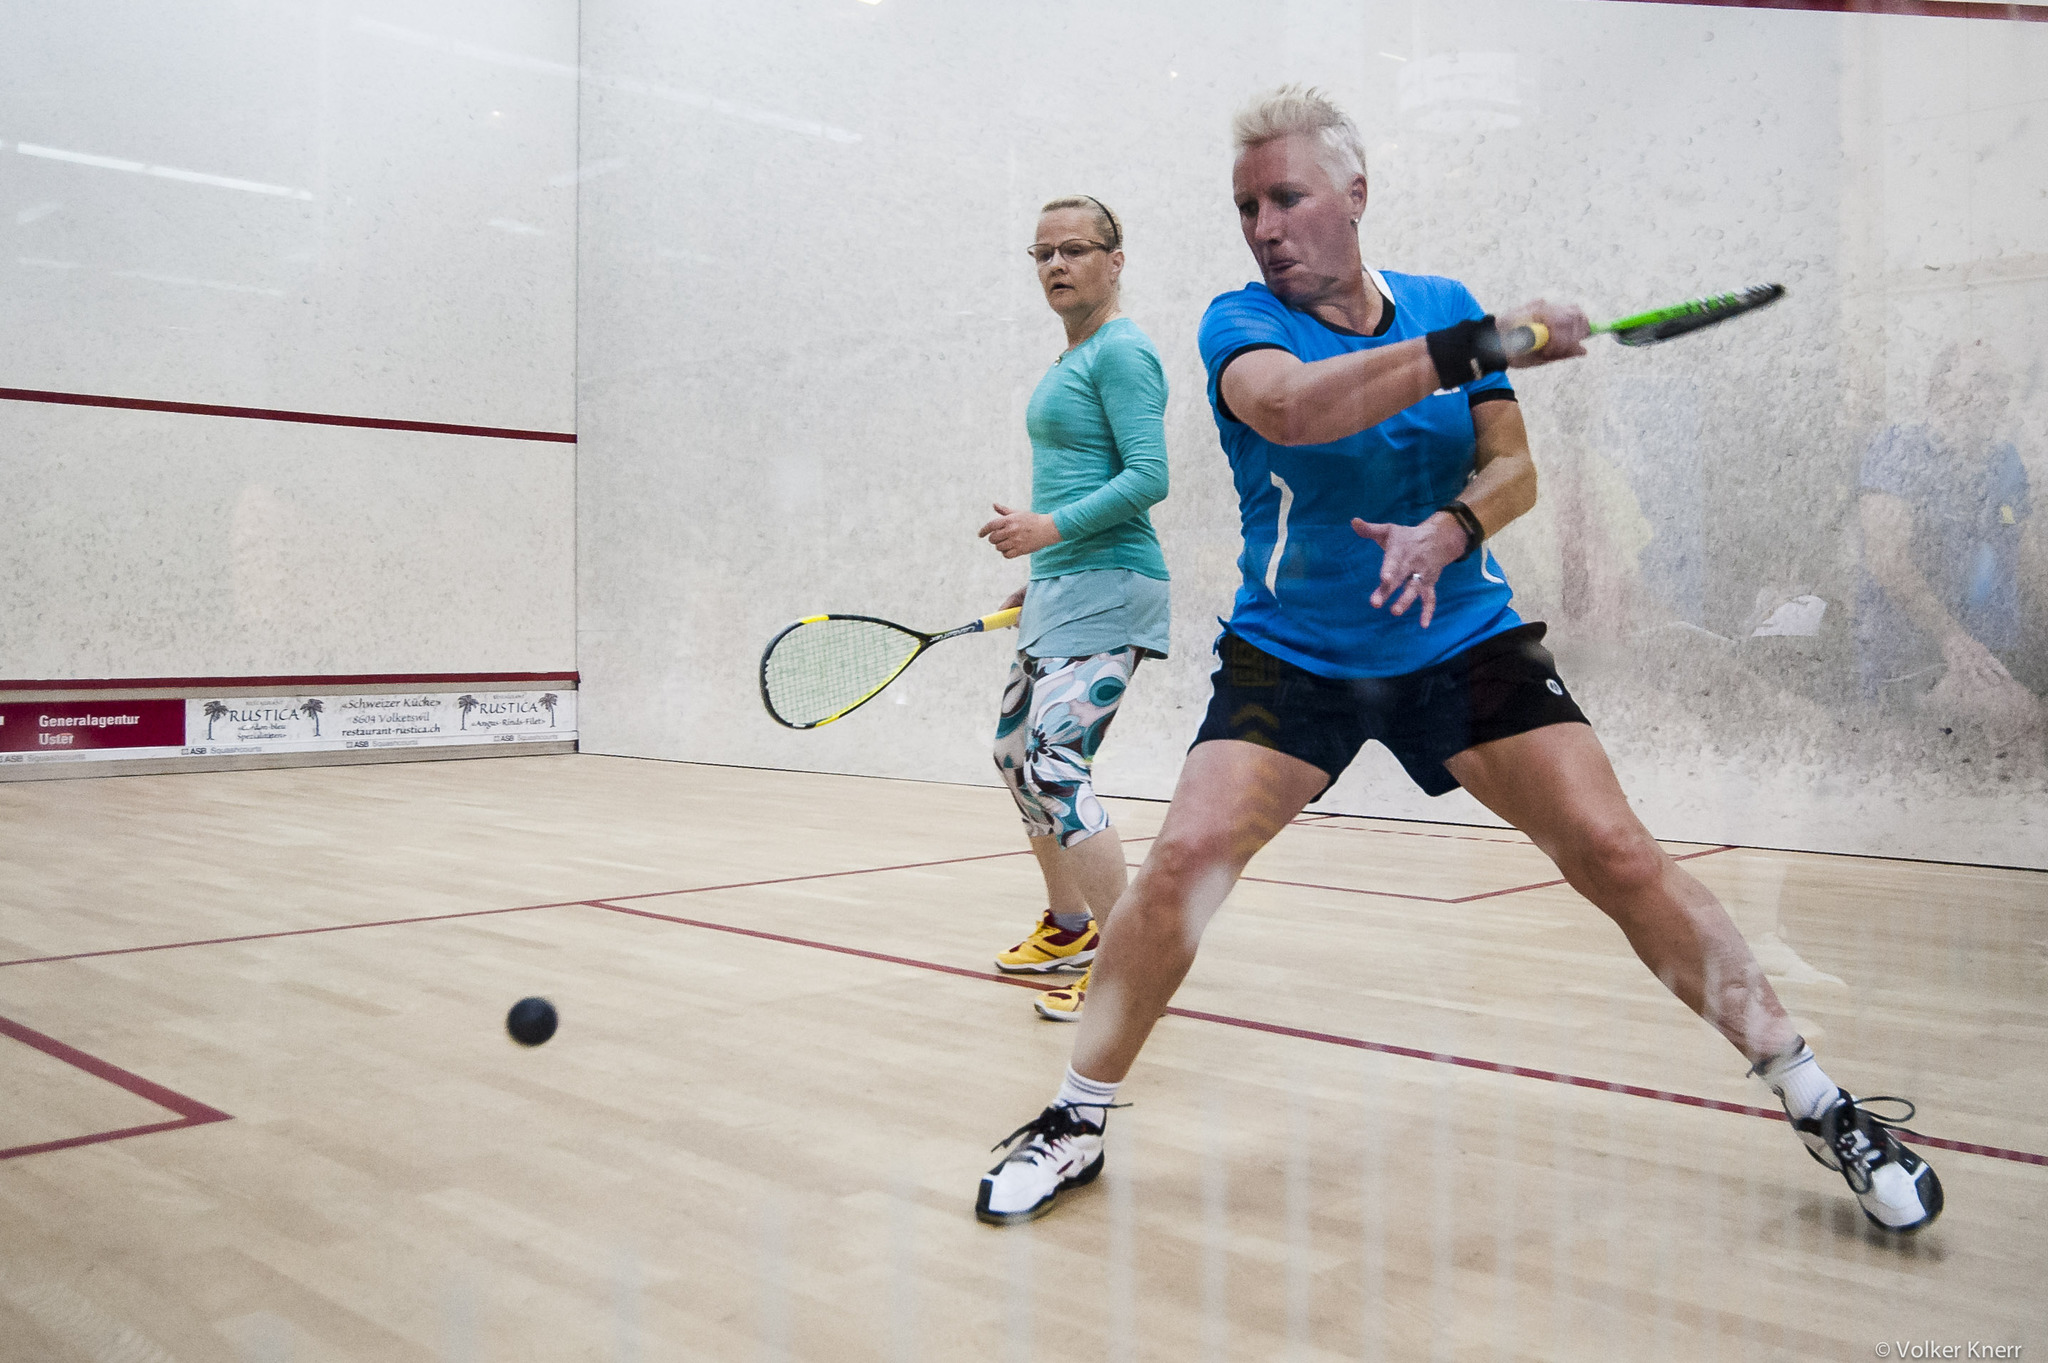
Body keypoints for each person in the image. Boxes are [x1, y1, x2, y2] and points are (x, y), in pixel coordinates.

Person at [976, 87, 1942, 1234]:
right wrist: (1477, 347)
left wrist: (1455, 528)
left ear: (1354, 195)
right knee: (1182, 859)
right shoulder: (1239, 323)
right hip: (1295, 650)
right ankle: (1075, 1114)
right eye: (1246, 205)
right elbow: (1290, 411)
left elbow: (1511, 469)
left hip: (1459, 637)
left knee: (1615, 851)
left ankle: (1815, 1095)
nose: (1263, 225)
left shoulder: (1442, 306)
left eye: (1286, 197)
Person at [977, 195, 1172, 1021]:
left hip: (1113, 585)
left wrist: (1049, 530)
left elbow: (1149, 476)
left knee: (1057, 762)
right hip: (1067, 584)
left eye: (1075, 250)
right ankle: (1069, 927)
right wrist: (1045, 566)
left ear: (1115, 260)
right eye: (1043, 253)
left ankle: (1129, 968)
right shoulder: (1074, 358)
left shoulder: (1123, 352)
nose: (1056, 265)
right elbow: (1078, 480)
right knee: (1016, 756)